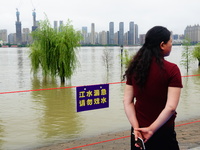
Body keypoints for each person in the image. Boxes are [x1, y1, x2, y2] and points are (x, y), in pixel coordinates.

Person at [123, 26, 183, 150]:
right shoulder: (172, 70)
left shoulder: (135, 68)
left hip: (138, 132)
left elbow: (127, 101)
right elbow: (171, 108)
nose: (172, 45)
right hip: (162, 130)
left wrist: (135, 127)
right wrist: (151, 130)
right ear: (162, 45)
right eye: (170, 42)